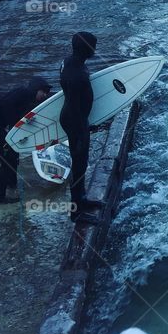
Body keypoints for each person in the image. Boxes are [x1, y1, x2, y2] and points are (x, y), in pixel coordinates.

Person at [0, 77, 51, 203]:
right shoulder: (24, 93)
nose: (45, 95)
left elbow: (15, 113)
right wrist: (13, 127)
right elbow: (8, 108)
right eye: (44, 92)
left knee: (13, 154)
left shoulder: (26, 96)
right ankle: (0, 198)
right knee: (7, 159)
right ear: (37, 89)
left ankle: (11, 184)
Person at [59, 31, 104, 224]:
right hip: (75, 121)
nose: (95, 49)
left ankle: (82, 199)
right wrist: (82, 135)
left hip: (74, 118)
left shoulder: (68, 63)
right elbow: (77, 108)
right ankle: (76, 212)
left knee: (81, 165)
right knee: (78, 166)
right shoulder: (77, 76)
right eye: (93, 45)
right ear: (87, 48)